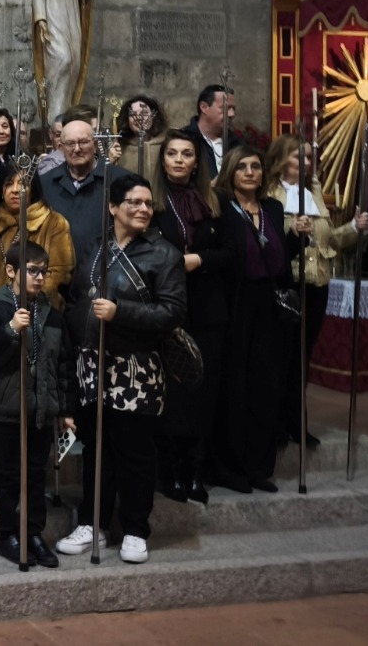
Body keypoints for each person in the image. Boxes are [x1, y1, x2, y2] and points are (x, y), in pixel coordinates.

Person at [57, 173, 185, 564]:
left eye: (148, 203)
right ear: (113, 207)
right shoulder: (94, 247)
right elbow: (76, 301)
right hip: (92, 366)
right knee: (97, 450)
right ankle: (91, 523)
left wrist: (120, 312)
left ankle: (135, 529)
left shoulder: (164, 254)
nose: (143, 209)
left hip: (137, 370)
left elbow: (172, 312)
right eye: (134, 202)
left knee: (135, 453)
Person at [265, 134, 368, 447]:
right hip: (288, 282)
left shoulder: (313, 191)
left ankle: (296, 421)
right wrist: (292, 230)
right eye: (298, 156)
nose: (306, 162)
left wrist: (353, 228)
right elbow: (265, 237)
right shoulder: (269, 192)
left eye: (309, 157)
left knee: (303, 355)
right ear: (281, 159)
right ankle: (274, 422)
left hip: (317, 283)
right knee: (281, 355)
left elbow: (329, 240)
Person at [0, 239, 71, 567]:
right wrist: (11, 329)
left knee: (36, 475)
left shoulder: (51, 312)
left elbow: (62, 364)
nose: (40, 278)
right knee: (11, 475)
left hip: (41, 408)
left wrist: (64, 409)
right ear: (11, 271)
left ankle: (33, 533)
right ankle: (7, 534)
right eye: (32, 271)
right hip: (8, 409)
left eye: (44, 272)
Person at [151, 129, 232, 505]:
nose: (179, 160)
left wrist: (200, 259)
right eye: (172, 153)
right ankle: (168, 470)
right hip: (166, 308)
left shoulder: (215, 200)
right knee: (171, 395)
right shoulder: (151, 200)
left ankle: (195, 471)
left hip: (206, 309)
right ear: (162, 159)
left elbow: (232, 252)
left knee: (202, 392)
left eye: (186, 154)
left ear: (197, 162)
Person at [209, 145, 290, 495]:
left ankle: (259, 466)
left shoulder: (273, 209)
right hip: (235, 305)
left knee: (265, 386)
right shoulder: (221, 210)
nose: (249, 172)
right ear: (230, 172)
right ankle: (232, 468)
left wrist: (296, 239)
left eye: (255, 166)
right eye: (241, 167)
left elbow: (277, 256)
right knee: (234, 386)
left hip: (269, 306)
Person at [0, 171, 75, 322]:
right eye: (9, 184)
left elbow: (60, 273)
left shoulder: (54, 223)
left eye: (23, 184)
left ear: (33, 191)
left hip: (37, 315)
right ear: (1, 191)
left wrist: (25, 297)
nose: (15, 190)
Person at [39, 119, 108, 270]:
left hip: (103, 271)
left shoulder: (116, 180)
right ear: (61, 147)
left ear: (95, 144)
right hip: (54, 272)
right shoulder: (44, 183)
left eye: (83, 142)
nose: (77, 149)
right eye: (70, 144)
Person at [183, 84, 240, 178]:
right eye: (226, 108)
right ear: (204, 107)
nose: (232, 114)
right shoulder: (184, 139)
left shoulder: (236, 142)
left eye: (233, 109)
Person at [111, 95, 166, 188]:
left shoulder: (165, 144)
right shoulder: (119, 147)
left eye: (144, 113)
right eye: (133, 114)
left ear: (154, 116)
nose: (139, 118)